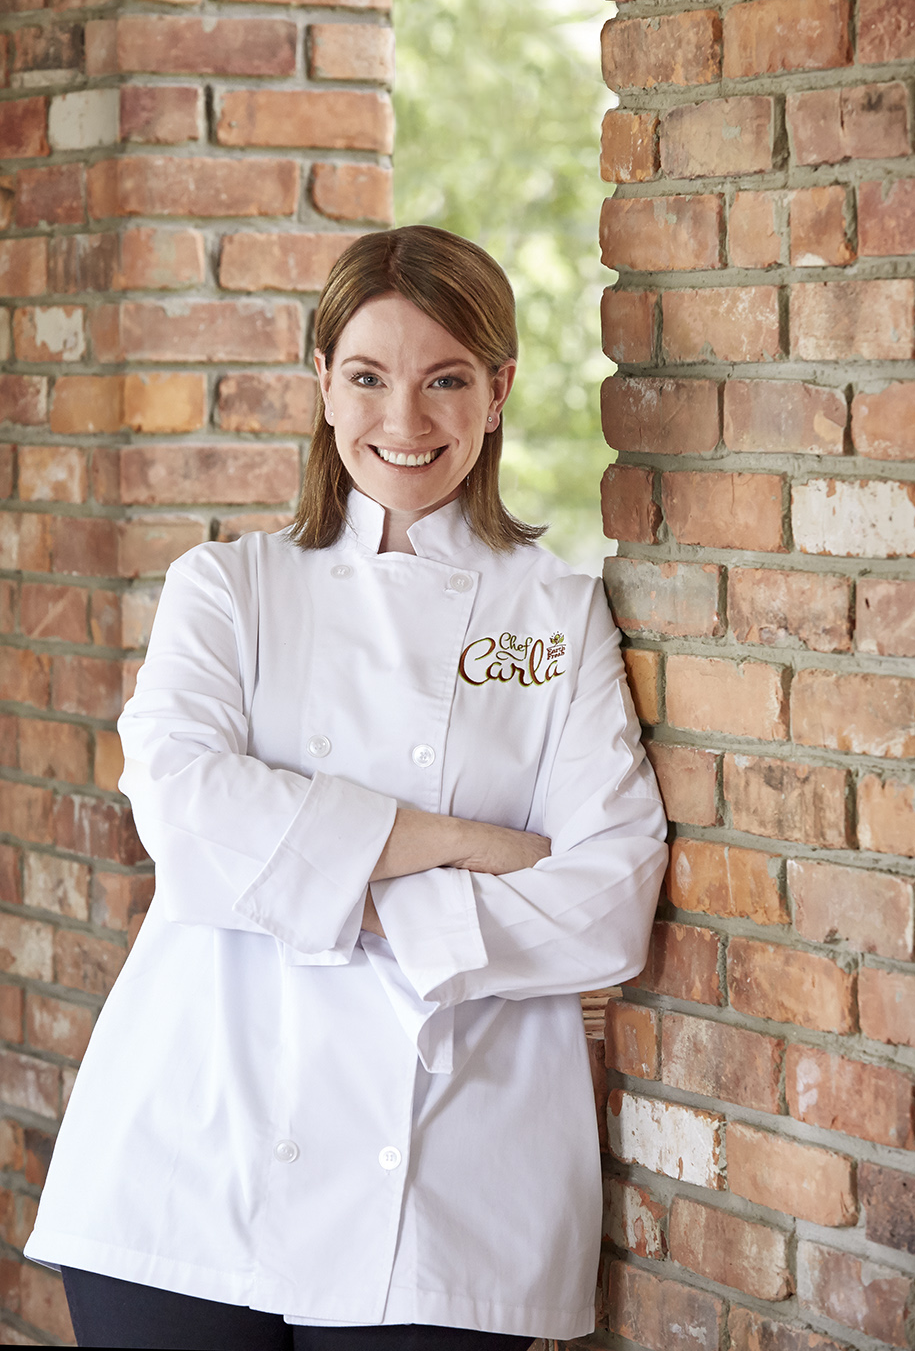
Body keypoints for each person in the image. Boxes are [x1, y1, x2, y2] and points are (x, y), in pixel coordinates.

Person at [25, 225, 668, 1350]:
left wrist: (339, 888)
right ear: (321, 382)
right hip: (188, 1149)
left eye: (446, 379)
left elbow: (608, 901)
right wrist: (459, 838)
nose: (405, 421)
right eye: (368, 377)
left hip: (447, 1184)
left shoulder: (554, 614)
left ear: (500, 388)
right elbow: (184, 818)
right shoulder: (228, 587)